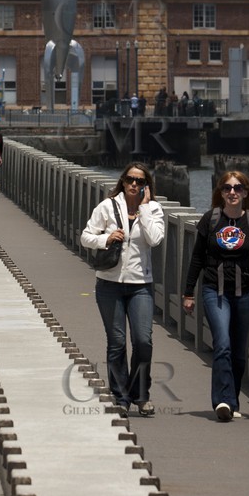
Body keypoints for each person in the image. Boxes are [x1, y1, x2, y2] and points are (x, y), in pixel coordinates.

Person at [183, 171, 249, 422]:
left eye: (237, 188)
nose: (232, 192)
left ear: (245, 192)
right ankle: (222, 401)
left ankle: (232, 400)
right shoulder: (211, 219)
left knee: (239, 353)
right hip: (214, 290)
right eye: (227, 188)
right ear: (220, 192)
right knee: (222, 343)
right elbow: (197, 258)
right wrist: (188, 293)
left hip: (244, 292)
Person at [80, 163, 166, 415]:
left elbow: (155, 239)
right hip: (109, 283)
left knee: (143, 341)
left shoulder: (154, 209)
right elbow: (86, 237)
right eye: (130, 179)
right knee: (117, 342)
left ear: (146, 185)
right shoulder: (107, 206)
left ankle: (141, 394)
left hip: (140, 285)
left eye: (140, 181)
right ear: (123, 181)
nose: (134, 184)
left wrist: (144, 208)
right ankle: (121, 397)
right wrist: (105, 239)